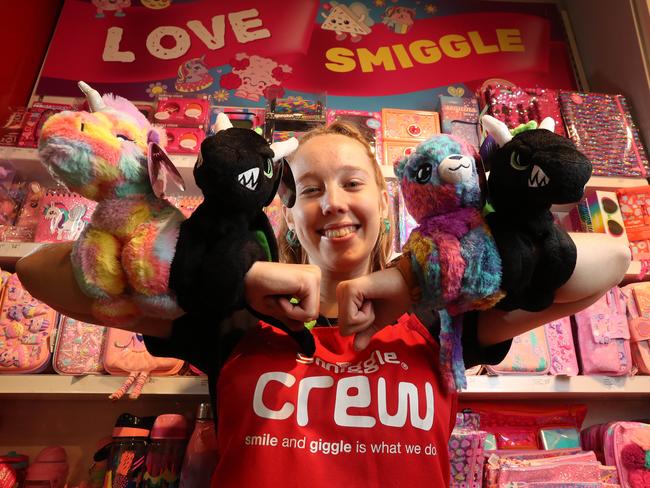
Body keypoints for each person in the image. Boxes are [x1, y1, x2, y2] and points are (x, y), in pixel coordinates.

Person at [16, 122, 630, 487]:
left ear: (382, 198)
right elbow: (39, 271)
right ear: (288, 211)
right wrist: (236, 280)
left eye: (351, 183)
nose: (332, 203)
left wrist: (411, 285)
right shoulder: (232, 318)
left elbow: (611, 262)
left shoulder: (441, 320)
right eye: (310, 189)